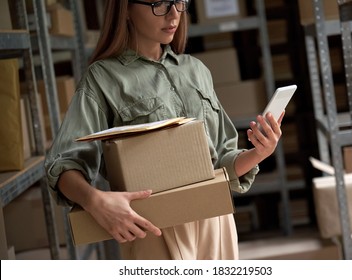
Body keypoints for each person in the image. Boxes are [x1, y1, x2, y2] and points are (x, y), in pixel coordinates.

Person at [45, 0, 284, 260]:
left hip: (216, 221)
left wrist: (260, 152)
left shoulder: (196, 70)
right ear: (126, 8)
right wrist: (95, 201)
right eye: (159, 3)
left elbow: (222, 164)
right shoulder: (103, 78)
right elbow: (64, 163)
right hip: (153, 229)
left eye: (179, 2)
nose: (173, 15)